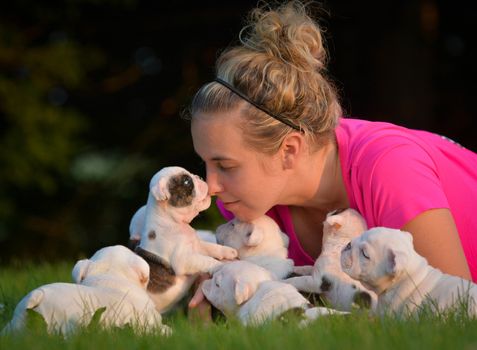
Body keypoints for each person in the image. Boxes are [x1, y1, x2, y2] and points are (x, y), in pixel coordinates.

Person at [186, 1, 477, 310]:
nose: (211, 185)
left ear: (289, 150)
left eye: (226, 165)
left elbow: (455, 316)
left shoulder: (390, 166)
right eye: (205, 163)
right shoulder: (251, 208)